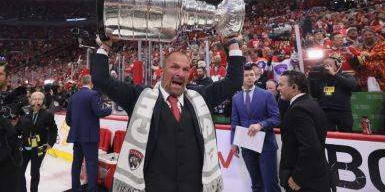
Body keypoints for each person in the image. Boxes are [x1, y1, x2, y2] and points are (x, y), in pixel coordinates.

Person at [91, 35, 245, 192]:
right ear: (162, 70)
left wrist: (232, 44)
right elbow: (101, 79)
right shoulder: (139, 97)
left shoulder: (201, 97)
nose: (180, 73)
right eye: (175, 67)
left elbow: (234, 81)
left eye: (185, 69)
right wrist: (104, 46)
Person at [277, 70, 331, 192]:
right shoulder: (311, 103)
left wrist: (297, 179)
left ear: (294, 87)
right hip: (316, 177)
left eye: (281, 84)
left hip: (305, 182)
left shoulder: (298, 109)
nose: (278, 88)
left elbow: (310, 148)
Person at [231, 65, 281, 192]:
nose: (249, 77)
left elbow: (276, 118)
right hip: (247, 145)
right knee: (256, 183)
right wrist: (234, 142)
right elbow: (235, 122)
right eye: (246, 75)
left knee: (270, 184)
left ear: (256, 76)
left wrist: (261, 125)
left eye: (251, 75)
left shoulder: (267, 95)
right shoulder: (236, 98)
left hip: (266, 145)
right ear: (240, 78)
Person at [66, 75, 112, 192]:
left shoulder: (73, 97)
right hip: (90, 136)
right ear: (91, 83)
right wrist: (109, 109)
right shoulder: (93, 94)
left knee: (76, 162)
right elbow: (98, 112)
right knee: (91, 163)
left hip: (76, 135)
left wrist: (78, 127)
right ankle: (92, 189)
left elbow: (68, 120)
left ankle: (76, 188)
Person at [19, 91, 57, 192]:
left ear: (43, 101)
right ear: (31, 101)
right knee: (20, 171)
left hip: (40, 147)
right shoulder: (25, 113)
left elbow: (54, 129)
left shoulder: (47, 114)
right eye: (34, 99)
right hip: (25, 146)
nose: (37, 101)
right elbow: (19, 128)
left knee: (34, 172)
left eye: (39, 99)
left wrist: (50, 143)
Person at [309, 56, 358, 132]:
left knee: (346, 134)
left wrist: (334, 74)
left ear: (337, 66)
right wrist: (312, 79)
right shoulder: (322, 79)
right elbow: (314, 94)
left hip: (342, 112)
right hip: (325, 112)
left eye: (329, 65)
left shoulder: (345, 76)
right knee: (328, 137)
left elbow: (352, 85)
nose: (326, 67)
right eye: (325, 65)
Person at [0, 61, 24, 192]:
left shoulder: (17, 100)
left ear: (7, 77)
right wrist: (9, 124)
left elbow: (28, 125)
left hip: (10, 160)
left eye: (0, 74)